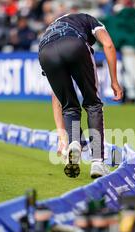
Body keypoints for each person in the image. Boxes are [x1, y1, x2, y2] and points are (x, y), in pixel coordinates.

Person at [38, 13, 123, 179]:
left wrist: (62, 135)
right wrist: (114, 81)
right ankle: (97, 161)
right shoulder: (91, 20)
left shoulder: (51, 29)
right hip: (74, 44)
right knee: (93, 104)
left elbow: (56, 97)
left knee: (69, 106)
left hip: (45, 51)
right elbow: (108, 45)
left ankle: (74, 142)